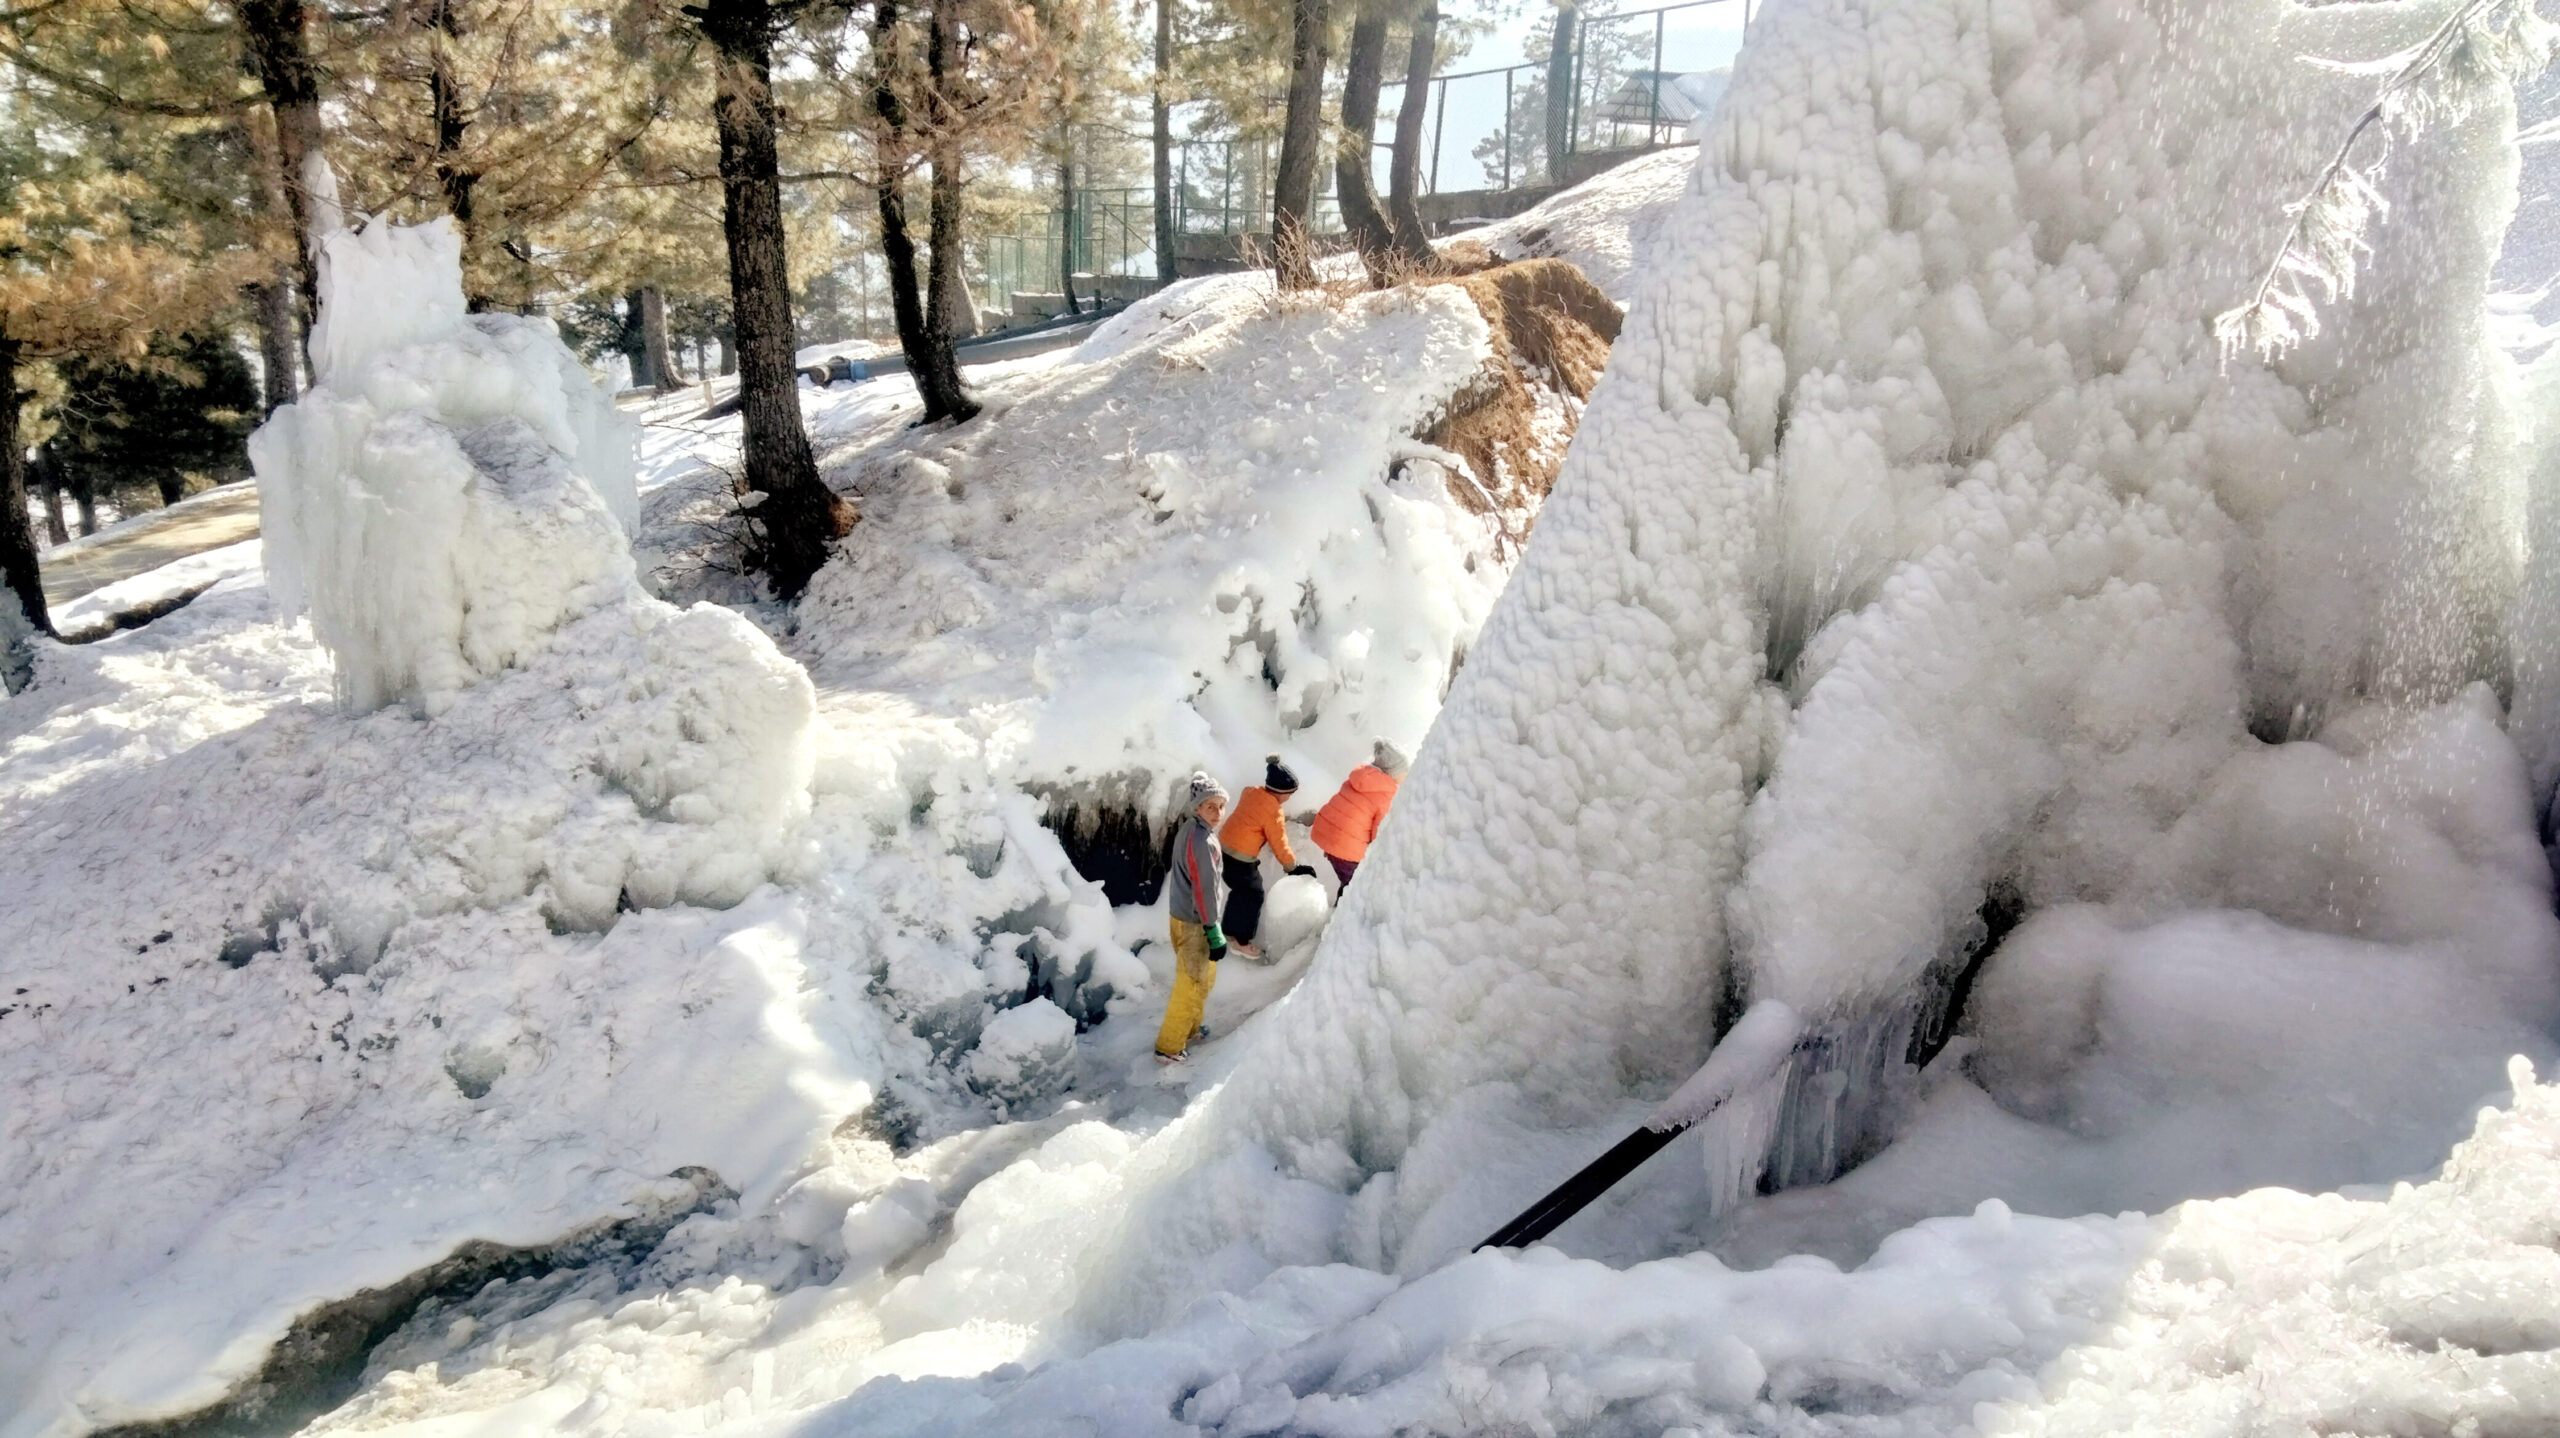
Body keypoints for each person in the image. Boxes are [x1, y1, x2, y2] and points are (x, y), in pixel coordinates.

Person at [1156, 771, 1232, 1064]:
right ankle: (1169, 1046)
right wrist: (1212, 928)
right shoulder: (1202, 841)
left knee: (1202, 979)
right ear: (1197, 808)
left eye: (1221, 805)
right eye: (1210, 806)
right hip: (1196, 923)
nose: (1217, 812)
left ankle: (1190, 1028)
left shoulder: (1193, 830)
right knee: (1190, 984)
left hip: (1187, 917)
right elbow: (1203, 889)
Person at [1217, 755, 1320, 958]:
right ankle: (1241, 941)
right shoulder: (1273, 811)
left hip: (1223, 847)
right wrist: (1292, 867)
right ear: (1281, 793)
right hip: (1240, 857)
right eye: (1289, 794)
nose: (1289, 798)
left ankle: (1229, 931)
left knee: (1240, 891)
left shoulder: (1251, 792)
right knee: (1253, 894)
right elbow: (1279, 842)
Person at [1311, 739, 1408, 889]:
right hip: (1347, 847)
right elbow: (1379, 832)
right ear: (1393, 773)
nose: (1406, 776)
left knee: (1347, 883)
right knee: (1355, 888)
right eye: (1404, 772)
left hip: (1329, 834)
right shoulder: (1386, 794)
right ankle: (1343, 910)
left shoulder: (1360, 777)